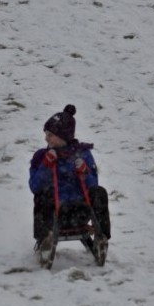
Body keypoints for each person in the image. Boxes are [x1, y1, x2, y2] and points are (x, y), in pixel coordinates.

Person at [29, 105, 111, 253]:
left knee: (100, 192)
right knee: (42, 195)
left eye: (50, 135)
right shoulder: (41, 156)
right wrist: (46, 167)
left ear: (62, 136)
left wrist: (85, 172)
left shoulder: (82, 154)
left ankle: (101, 238)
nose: (46, 138)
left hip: (79, 211)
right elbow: (34, 187)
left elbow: (92, 185)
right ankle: (44, 242)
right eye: (46, 134)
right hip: (54, 214)